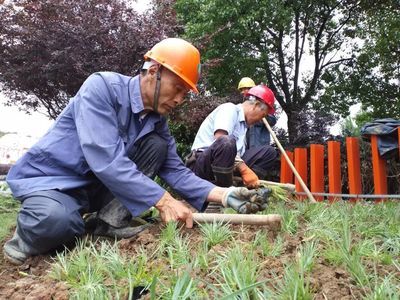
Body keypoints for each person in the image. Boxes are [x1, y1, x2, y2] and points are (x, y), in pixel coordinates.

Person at [3, 38, 269, 265]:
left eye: (185, 93)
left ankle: (107, 222)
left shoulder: (156, 120)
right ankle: (26, 237)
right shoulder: (102, 88)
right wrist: (164, 201)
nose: (179, 99)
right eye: (177, 88)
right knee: (57, 222)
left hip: (92, 188)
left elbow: (174, 169)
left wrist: (225, 195)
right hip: (53, 182)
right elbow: (107, 160)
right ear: (153, 71)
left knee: (157, 146)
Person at [187, 84, 278, 191]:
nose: (260, 120)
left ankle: (245, 190)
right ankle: (221, 194)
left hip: (228, 166)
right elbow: (221, 140)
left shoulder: (244, 127)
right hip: (203, 165)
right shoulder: (229, 109)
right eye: (262, 115)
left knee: (269, 152)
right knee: (227, 142)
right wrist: (245, 170)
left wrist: (248, 172)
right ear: (256, 105)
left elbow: (237, 156)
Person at [237, 77, 277, 148]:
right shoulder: (243, 108)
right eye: (241, 89)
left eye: (246, 88)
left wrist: (263, 114)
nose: (243, 91)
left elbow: (273, 121)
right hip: (247, 147)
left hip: (260, 145)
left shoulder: (264, 105)